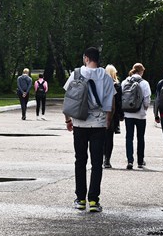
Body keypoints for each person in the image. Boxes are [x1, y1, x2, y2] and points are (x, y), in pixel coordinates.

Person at [64, 47, 114, 213]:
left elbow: (68, 99)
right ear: (97, 59)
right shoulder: (106, 77)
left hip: (79, 123)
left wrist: (68, 120)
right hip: (99, 125)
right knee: (97, 162)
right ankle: (93, 200)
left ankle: (80, 199)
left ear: (86, 58)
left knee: (80, 160)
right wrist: (107, 120)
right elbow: (110, 103)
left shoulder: (76, 74)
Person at [121, 63, 152, 170]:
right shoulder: (144, 83)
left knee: (129, 137)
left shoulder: (125, 82)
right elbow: (147, 100)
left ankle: (130, 160)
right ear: (141, 71)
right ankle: (140, 161)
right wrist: (144, 108)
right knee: (140, 138)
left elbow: (122, 97)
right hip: (140, 115)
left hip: (128, 114)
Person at [103, 64, 123, 169]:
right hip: (112, 115)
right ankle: (107, 160)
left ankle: (102, 156)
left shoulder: (102, 83)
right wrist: (121, 115)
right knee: (110, 138)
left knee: (101, 137)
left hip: (101, 114)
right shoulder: (117, 85)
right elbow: (119, 103)